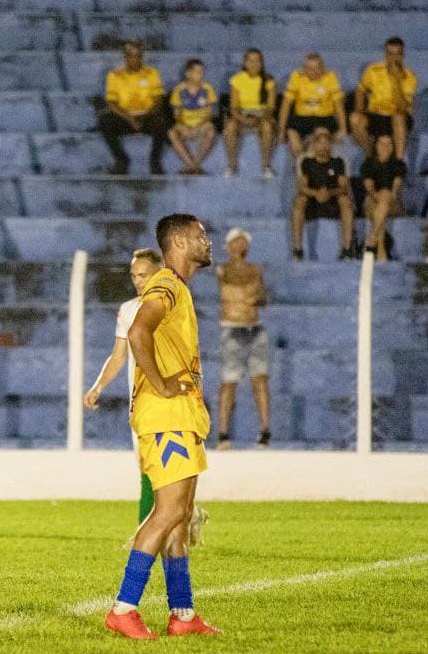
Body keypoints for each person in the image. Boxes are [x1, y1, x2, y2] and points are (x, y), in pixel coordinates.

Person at [104, 213, 219, 640]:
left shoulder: (178, 290)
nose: (208, 241)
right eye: (201, 236)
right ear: (180, 242)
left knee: (181, 516)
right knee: (169, 511)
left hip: (180, 417)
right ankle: (123, 608)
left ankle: (183, 615)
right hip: (165, 416)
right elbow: (138, 332)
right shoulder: (167, 285)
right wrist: (162, 382)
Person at [85, 249, 211, 545]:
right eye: (133, 276)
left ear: (159, 272)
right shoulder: (129, 310)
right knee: (149, 469)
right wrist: (98, 386)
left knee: (163, 472)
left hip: (172, 401)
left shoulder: (171, 301)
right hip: (144, 401)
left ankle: (150, 531)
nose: (138, 281)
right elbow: (118, 356)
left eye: (143, 274)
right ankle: (182, 520)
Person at [215, 228, 271, 450]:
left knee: (260, 379)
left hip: (254, 327)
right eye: (235, 242)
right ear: (228, 246)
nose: (239, 246)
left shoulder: (256, 270)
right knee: (229, 381)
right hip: (232, 329)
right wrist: (249, 296)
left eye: (243, 242)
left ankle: (265, 432)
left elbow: (261, 297)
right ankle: (223, 433)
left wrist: (251, 297)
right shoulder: (223, 270)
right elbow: (234, 293)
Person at [99, 41, 167, 175]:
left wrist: (144, 117)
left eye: (139, 55)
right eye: (132, 55)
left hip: (147, 116)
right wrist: (130, 119)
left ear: (142, 56)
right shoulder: (114, 75)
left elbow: (158, 100)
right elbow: (112, 103)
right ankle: (121, 160)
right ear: (125, 57)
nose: (135, 59)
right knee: (105, 121)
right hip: (124, 117)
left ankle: (155, 162)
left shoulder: (151, 73)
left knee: (162, 122)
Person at [290, 128, 355, 261]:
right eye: (320, 143)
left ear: (331, 145)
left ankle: (347, 249)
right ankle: (298, 250)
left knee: (345, 201)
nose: (324, 146)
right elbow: (302, 187)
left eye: (327, 143)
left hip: (332, 201)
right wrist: (317, 193)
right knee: (299, 200)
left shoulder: (338, 162)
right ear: (314, 145)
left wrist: (329, 193)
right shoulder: (306, 162)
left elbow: (344, 187)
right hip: (313, 201)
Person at [351, 37, 416, 162]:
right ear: (385, 54)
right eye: (390, 54)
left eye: (397, 54)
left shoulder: (409, 76)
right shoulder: (373, 70)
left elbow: (402, 107)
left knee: (398, 117)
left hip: (398, 116)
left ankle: (398, 162)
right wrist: (359, 110)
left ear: (402, 55)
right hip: (375, 115)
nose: (393, 58)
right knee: (355, 118)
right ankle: (370, 156)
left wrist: (396, 81)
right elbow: (360, 90)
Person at [277, 53, 347, 159]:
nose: (313, 72)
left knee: (318, 140)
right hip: (301, 119)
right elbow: (286, 105)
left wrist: (343, 128)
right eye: (309, 68)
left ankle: (314, 167)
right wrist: (281, 131)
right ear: (304, 69)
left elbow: (339, 105)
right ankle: (301, 167)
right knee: (292, 136)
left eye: (316, 68)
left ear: (322, 68)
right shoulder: (296, 76)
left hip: (324, 119)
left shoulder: (330, 77)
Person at [223, 48, 277, 178]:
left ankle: (266, 166)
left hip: (262, 114)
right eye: (250, 60)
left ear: (261, 63)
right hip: (243, 113)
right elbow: (234, 107)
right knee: (230, 127)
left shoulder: (268, 80)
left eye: (257, 60)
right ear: (245, 63)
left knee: (266, 126)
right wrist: (243, 119)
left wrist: (260, 118)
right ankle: (232, 166)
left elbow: (270, 107)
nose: (254, 64)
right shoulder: (237, 80)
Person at [167, 59, 218, 175]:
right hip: (185, 124)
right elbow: (177, 114)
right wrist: (185, 127)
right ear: (188, 73)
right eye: (197, 72)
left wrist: (198, 127)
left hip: (201, 125)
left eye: (202, 72)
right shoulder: (178, 90)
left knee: (211, 130)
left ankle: (194, 164)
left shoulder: (208, 88)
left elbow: (210, 114)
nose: (200, 75)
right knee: (171, 133)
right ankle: (191, 164)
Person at [359, 134, 405, 260]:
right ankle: (379, 248)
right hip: (372, 201)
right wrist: (377, 196)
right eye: (382, 144)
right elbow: (369, 186)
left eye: (389, 144)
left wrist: (385, 196)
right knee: (380, 207)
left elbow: (395, 189)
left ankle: (372, 238)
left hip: (393, 203)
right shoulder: (368, 163)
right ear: (376, 146)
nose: (386, 147)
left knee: (385, 196)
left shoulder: (398, 164)